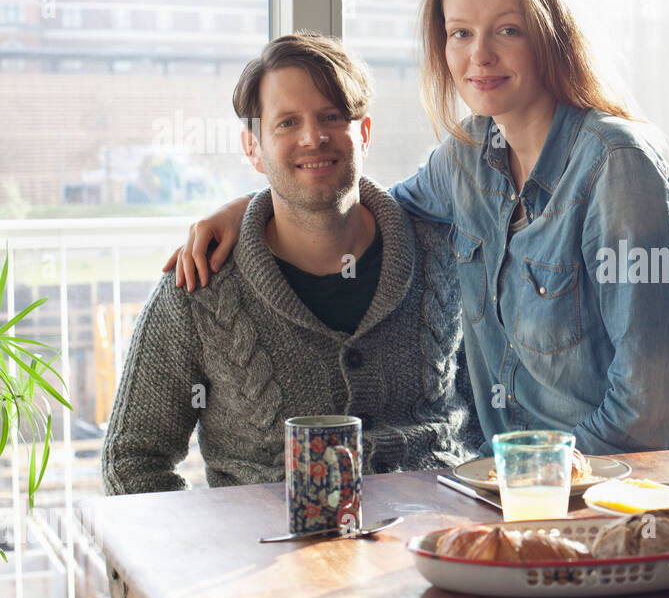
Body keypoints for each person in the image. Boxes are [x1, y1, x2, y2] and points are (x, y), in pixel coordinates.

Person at [168, 0, 669, 456]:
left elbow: (647, 414)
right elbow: (367, 205)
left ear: (551, 36)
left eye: (507, 31)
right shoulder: (465, 156)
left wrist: (534, 480)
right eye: (460, 32)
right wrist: (254, 204)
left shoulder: (617, 167)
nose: (478, 55)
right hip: (515, 492)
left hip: (623, 496)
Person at [105, 32, 479, 494]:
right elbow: (132, 460)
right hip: (267, 554)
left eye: (331, 117)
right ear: (253, 148)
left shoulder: (446, 258)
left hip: (435, 546)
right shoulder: (200, 287)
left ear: (363, 133)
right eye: (286, 123)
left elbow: (498, 417)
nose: (313, 137)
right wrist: (202, 554)